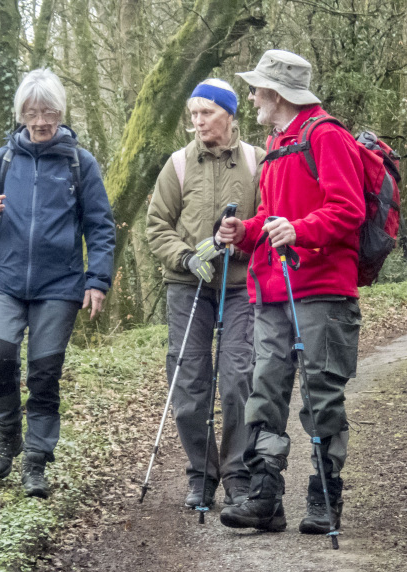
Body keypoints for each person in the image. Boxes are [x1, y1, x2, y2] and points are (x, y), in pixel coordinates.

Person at [218, 50, 365, 533]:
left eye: (257, 89)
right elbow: (274, 217)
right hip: (274, 291)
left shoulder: (326, 136)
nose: (252, 96)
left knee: (321, 395)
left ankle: (324, 497)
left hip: (323, 290)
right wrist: (246, 230)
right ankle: (265, 496)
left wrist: (299, 230)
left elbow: (349, 209)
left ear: (276, 94)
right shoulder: (278, 141)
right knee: (266, 391)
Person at [0, 69, 115, 499]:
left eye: (48, 111)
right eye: (31, 112)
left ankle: (36, 461)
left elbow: (100, 226)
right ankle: (7, 436)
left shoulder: (79, 163)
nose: (40, 120)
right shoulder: (3, 159)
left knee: (45, 374)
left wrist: (97, 280)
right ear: (21, 115)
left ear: (60, 111)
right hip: (4, 278)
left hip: (60, 285)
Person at [146, 79, 266, 509]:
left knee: (239, 377)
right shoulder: (177, 164)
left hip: (240, 285)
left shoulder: (257, 160)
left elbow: (272, 219)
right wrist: (183, 256)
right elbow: (157, 225)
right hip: (187, 284)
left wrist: (247, 238)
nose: (198, 122)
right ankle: (201, 474)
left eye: (207, 113)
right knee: (189, 379)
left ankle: (236, 471)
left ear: (229, 115)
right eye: (194, 114)